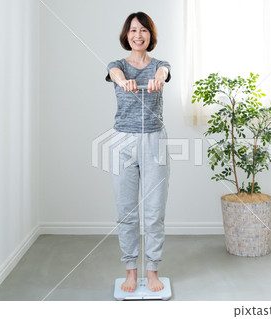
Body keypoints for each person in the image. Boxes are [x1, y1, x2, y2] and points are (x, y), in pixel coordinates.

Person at [105, 12, 171, 292]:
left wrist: (158, 78)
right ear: (126, 35)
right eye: (133, 30)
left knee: (154, 212)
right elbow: (114, 73)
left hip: (154, 140)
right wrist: (123, 82)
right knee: (127, 210)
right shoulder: (117, 65)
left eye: (143, 30)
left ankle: (152, 270)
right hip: (123, 141)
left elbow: (164, 72)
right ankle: (131, 271)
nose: (138, 35)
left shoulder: (160, 65)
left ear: (150, 35)